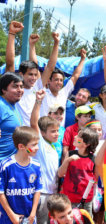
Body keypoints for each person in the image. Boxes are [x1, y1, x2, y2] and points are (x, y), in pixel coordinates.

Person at [15, 32, 59, 126]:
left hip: (36, 133)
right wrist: (31, 45)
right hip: (20, 134)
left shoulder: (37, 86)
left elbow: (50, 67)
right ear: (21, 74)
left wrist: (56, 43)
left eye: (36, 75)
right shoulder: (15, 91)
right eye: (30, 74)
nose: (34, 78)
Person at [0, 126, 42, 224]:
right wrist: (12, 215)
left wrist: (33, 213)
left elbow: (37, 190)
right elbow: (1, 193)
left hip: (29, 218)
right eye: (34, 145)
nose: (37, 148)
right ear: (21, 146)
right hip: (9, 219)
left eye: (37, 144)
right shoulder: (6, 166)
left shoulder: (36, 165)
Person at [30, 90, 60, 224]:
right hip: (41, 194)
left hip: (52, 194)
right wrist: (38, 101)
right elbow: (33, 123)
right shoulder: (40, 144)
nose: (57, 134)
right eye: (53, 131)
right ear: (42, 133)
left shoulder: (54, 148)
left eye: (57, 131)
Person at [40, 49, 87, 127]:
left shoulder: (64, 93)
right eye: (56, 80)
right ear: (49, 80)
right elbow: (49, 68)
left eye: (61, 80)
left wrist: (82, 59)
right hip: (43, 134)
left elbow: (75, 76)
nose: (59, 82)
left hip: (59, 135)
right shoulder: (42, 93)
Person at [58, 127, 99, 216]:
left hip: (86, 201)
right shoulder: (70, 154)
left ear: (86, 144)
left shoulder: (93, 159)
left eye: (79, 136)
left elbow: (96, 178)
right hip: (68, 199)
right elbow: (60, 173)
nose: (75, 136)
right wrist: (67, 160)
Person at [0, 72, 24, 160]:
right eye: (15, 86)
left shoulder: (13, 105)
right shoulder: (1, 105)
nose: (20, 90)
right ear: (4, 89)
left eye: (21, 86)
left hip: (10, 165)